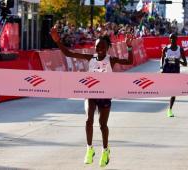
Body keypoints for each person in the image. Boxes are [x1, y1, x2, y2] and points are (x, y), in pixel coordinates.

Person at [50, 26, 133, 167]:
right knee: (89, 120)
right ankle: (89, 149)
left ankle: (105, 150)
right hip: (90, 93)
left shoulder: (111, 60)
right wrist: (57, 41)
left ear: (107, 48)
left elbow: (129, 62)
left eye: (102, 46)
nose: (99, 48)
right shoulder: (91, 58)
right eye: (97, 46)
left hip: (105, 95)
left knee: (102, 125)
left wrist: (129, 47)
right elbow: (68, 53)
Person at [160, 33, 187, 117]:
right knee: (165, 89)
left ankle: (170, 110)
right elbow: (162, 58)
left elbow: (185, 64)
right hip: (166, 70)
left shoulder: (180, 49)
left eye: (174, 38)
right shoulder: (166, 48)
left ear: (177, 39)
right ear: (169, 39)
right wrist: (161, 68)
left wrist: (177, 61)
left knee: (174, 92)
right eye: (170, 38)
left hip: (175, 71)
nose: (172, 40)